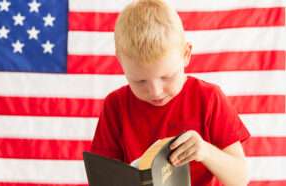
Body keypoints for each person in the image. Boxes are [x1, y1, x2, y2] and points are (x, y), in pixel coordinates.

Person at [90, 0, 251, 185]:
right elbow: (102, 178)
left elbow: (240, 178)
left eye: (167, 77)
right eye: (140, 81)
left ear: (186, 54)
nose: (155, 92)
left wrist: (206, 152)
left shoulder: (208, 98)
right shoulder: (115, 105)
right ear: (120, 62)